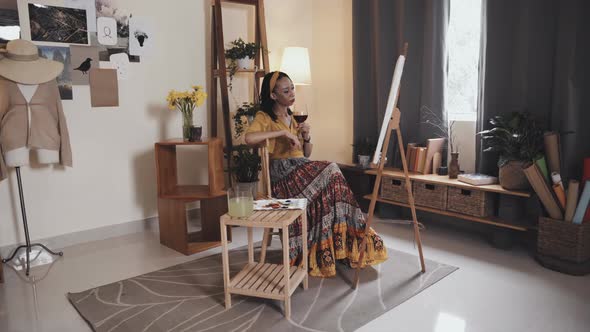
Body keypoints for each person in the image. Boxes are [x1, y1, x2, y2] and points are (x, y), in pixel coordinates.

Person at [245, 71, 387, 278]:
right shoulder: (264, 117)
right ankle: (345, 241)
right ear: (274, 96)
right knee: (332, 169)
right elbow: (249, 138)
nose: (292, 93)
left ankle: (337, 247)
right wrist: (281, 133)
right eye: (286, 90)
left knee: (333, 186)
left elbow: (306, 154)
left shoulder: (293, 117)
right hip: (282, 177)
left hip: (300, 168)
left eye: (292, 88)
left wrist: (306, 136)